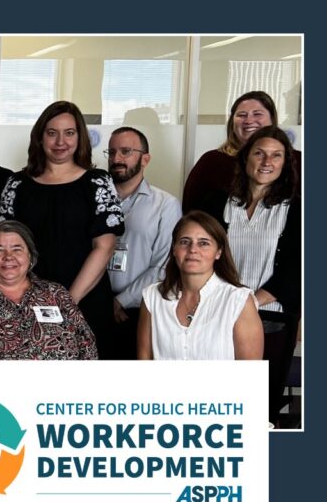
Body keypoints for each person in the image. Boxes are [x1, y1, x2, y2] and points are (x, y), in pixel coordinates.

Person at [0, 101, 124, 358]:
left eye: (69, 133)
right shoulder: (17, 184)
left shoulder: (97, 182)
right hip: (24, 301)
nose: (60, 141)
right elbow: (1, 247)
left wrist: (65, 305)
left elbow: (104, 247)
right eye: (52, 133)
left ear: (80, 137)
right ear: (40, 138)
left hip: (85, 300)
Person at [199, 126, 300, 423]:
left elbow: (298, 271)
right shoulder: (216, 203)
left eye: (276, 155)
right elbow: (199, 256)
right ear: (245, 159)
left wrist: (248, 304)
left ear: (284, 164)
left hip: (271, 319)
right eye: (259, 153)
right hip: (215, 315)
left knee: (257, 408)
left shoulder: (296, 210)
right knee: (214, 404)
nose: (267, 161)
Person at [0, 220, 97, 360]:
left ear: (30, 258)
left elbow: (86, 342)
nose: (8, 256)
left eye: (17, 249)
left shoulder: (55, 293)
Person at [138, 211, 264, 360]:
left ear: (218, 252)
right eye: (185, 242)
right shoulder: (152, 296)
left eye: (203, 243)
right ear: (174, 249)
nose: (192, 250)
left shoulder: (239, 300)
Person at [105, 127, 182, 359]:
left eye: (126, 151)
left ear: (145, 159)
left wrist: (120, 301)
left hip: (139, 312)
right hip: (94, 308)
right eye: (111, 152)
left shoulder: (166, 205)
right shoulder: (92, 200)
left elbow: (163, 265)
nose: (117, 159)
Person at [182, 91, 302, 213]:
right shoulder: (211, 162)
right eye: (242, 115)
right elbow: (191, 213)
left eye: (257, 114)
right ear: (232, 123)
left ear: (272, 119)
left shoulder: (299, 161)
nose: (249, 121)